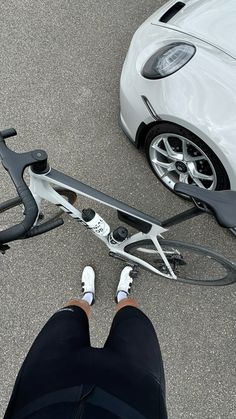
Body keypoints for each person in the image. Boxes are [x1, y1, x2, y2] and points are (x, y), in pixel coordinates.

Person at [4, 266, 167, 419]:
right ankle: (122, 295)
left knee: (70, 313)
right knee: (133, 314)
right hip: (135, 391)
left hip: (44, 384)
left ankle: (87, 297)